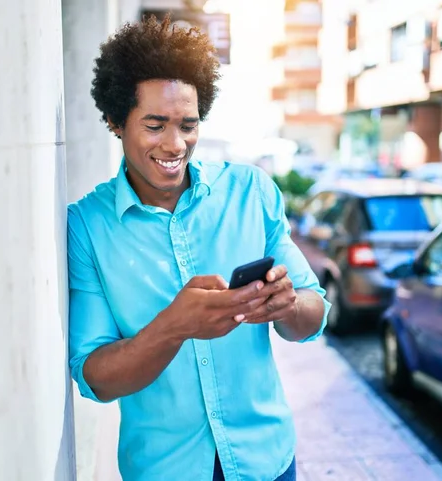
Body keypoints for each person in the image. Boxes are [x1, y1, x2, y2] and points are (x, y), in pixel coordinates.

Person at [67, 15, 330, 481]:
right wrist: (173, 327)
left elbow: (313, 315)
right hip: (164, 470)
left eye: (188, 125)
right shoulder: (86, 226)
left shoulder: (252, 192)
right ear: (114, 121)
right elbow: (96, 377)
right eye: (155, 125)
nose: (175, 143)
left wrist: (287, 307)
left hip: (268, 462)